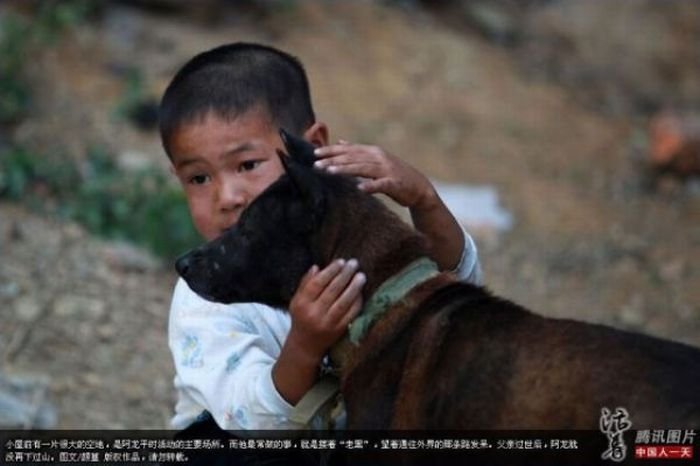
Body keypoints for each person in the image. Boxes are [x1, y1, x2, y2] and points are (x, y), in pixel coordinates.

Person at [160, 42, 482, 438]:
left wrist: (425, 201)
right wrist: (304, 346)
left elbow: (453, 295)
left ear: (311, 148)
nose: (227, 198)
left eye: (247, 165)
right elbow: (248, 421)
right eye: (198, 178)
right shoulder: (208, 294)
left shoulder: (345, 234)